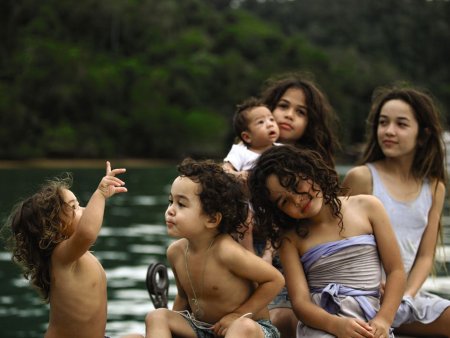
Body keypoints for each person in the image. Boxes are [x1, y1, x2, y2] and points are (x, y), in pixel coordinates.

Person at [248, 145, 406, 338]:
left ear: (309, 171)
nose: (297, 200)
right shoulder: (290, 238)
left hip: (371, 320)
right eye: (284, 202)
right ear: (278, 211)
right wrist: (336, 325)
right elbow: (300, 304)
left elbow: (396, 270)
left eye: (295, 185)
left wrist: (384, 319)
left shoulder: (368, 206)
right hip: (323, 324)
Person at [342, 85, 450, 337]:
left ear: (422, 135)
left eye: (401, 124)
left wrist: (407, 295)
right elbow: (334, 240)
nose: (389, 131)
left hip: (406, 298)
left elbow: (425, 256)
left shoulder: (434, 187)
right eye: (383, 122)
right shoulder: (362, 177)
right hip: (362, 294)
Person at [145, 158, 285, 338]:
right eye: (170, 201)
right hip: (203, 328)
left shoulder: (226, 251)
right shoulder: (176, 252)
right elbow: (183, 298)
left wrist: (238, 314)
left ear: (212, 219)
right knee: (157, 316)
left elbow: (275, 280)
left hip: (252, 329)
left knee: (242, 327)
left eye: (181, 204)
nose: (170, 210)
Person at [4, 161, 142, 338]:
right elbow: (87, 232)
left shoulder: (73, 256)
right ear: (52, 227)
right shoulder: (61, 257)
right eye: (74, 207)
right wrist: (99, 194)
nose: (83, 209)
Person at [257, 72, 341, 337]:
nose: (289, 115)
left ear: (311, 124)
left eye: (300, 111)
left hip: (298, 260)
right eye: (283, 106)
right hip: (249, 253)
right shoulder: (243, 156)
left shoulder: (315, 170)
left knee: (286, 319)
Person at [223, 96, 280, 182]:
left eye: (271, 119)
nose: (270, 124)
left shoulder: (282, 149)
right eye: (261, 122)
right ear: (247, 137)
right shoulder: (240, 152)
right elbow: (225, 168)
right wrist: (236, 174)